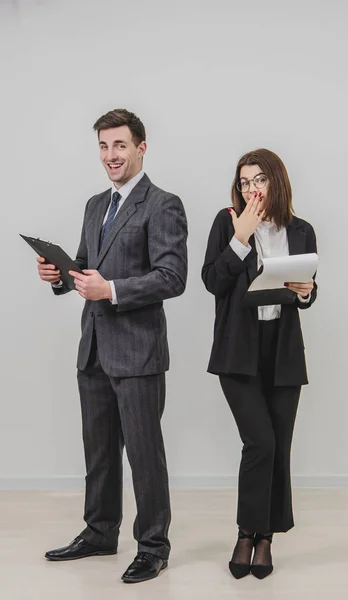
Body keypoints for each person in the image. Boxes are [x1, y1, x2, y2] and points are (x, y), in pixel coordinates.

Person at [36, 108, 188, 584]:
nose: (111, 155)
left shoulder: (163, 204)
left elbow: (172, 276)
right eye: (103, 146)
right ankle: (100, 532)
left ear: (141, 148)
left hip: (139, 351)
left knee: (144, 452)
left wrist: (114, 290)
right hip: (95, 349)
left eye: (119, 145)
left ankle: (153, 546)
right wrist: (60, 276)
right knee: (99, 449)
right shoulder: (94, 204)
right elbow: (87, 266)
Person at [201, 148, 317, 580]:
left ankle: (266, 536)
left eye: (259, 180)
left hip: (283, 351)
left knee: (278, 447)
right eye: (244, 181)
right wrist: (239, 237)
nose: (251, 189)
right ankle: (245, 532)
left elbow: (305, 293)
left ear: (276, 182)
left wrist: (306, 290)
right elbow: (213, 281)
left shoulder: (301, 230)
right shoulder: (226, 221)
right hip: (238, 350)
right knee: (260, 443)